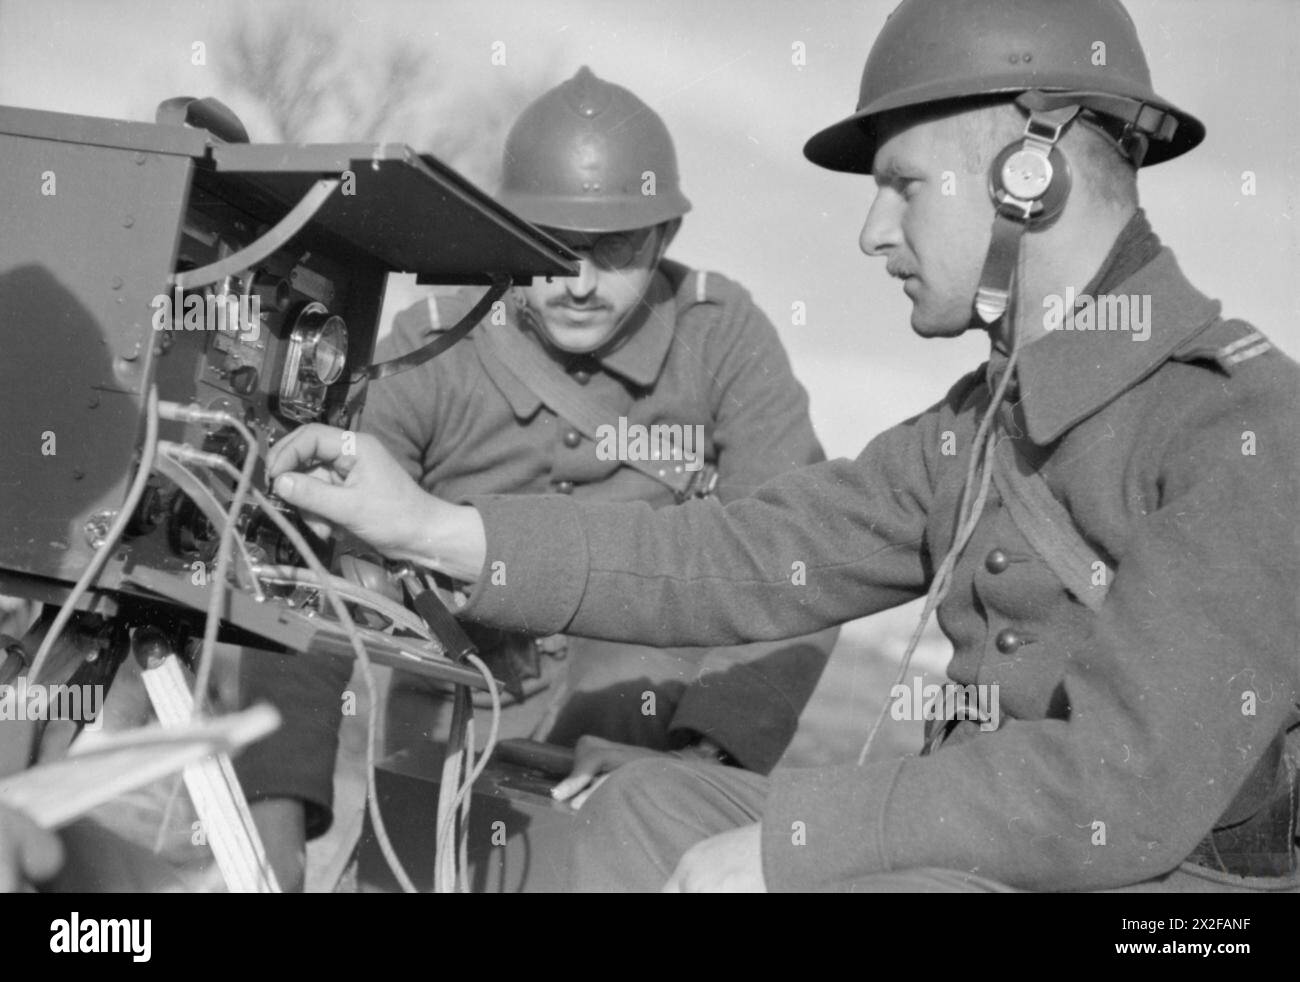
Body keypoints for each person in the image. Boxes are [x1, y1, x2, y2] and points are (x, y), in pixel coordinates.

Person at [267, 0, 1299, 893]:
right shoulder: (975, 424)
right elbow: (745, 555)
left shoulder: (1236, 424)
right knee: (609, 812)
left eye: (902, 185)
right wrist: (442, 532)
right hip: (997, 855)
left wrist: (795, 844)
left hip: (1170, 903)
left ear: (1028, 179)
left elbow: (1119, 787)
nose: (869, 234)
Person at [363, 66, 837, 778]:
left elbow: (798, 550)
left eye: (613, 247)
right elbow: (319, 552)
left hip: (639, 739)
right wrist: (280, 810)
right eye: (550, 244)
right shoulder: (436, 344)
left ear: (664, 235)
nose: (579, 283)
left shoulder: (719, 336)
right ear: (503, 233)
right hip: (448, 727)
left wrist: (705, 753)